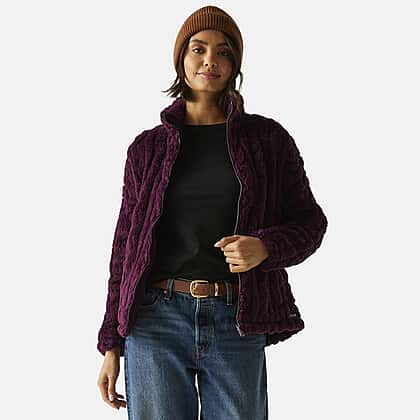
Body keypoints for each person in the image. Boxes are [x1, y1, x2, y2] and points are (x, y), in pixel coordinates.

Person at [97, 5, 328, 420]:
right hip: (155, 319)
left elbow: (311, 223)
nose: (210, 60)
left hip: (237, 317)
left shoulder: (268, 140)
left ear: (235, 65)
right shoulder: (147, 149)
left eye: (223, 52)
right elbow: (125, 248)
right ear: (181, 59)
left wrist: (265, 247)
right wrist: (111, 343)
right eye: (198, 49)